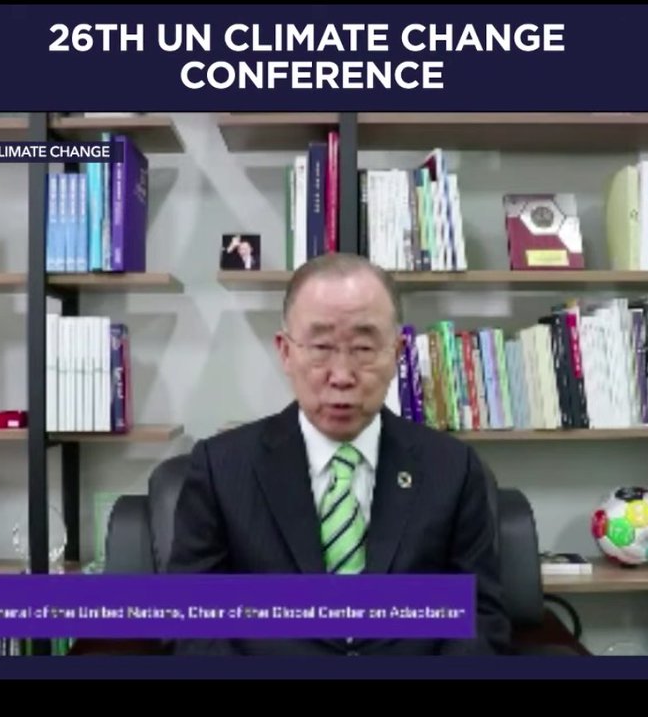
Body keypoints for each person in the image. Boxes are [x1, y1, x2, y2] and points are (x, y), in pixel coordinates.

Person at [166, 253, 514, 656]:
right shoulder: (221, 468)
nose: (342, 376)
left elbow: (479, 615)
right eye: (321, 347)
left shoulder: (453, 468)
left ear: (398, 352)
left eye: (364, 348)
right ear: (285, 351)